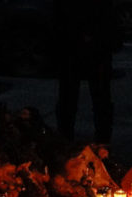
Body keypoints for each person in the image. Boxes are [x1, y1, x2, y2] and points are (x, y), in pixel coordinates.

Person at [52, 0, 119, 146]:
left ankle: (69, 139)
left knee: (73, 97)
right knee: (95, 98)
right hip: (85, 46)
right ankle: (99, 141)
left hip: (80, 46)